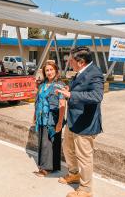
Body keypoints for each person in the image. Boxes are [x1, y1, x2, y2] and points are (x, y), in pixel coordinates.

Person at [56, 46, 104, 197]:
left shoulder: (95, 74)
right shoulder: (80, 72)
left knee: (84, 157)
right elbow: (79, 87)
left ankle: (85, 189)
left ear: (81, 62)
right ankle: (74, 174)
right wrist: (69, 87)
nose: (69, 63)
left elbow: (97, 96)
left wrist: (70, 94)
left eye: (71, 61)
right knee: (68, 149)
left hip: (85, 123)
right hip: (73, 121)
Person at [33, 61, 66, 177]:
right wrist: (35, 116)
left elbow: (62, 104)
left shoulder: (60, 85)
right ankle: (53, 166)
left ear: (56, 71)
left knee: (49, 143)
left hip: (52, 119)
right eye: (47, 70)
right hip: (41, 118)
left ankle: (45, 168)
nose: (49, 72)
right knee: (43, 142)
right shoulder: (42, 85)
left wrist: (60, 122)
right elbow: (37, 102)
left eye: (51, 70)